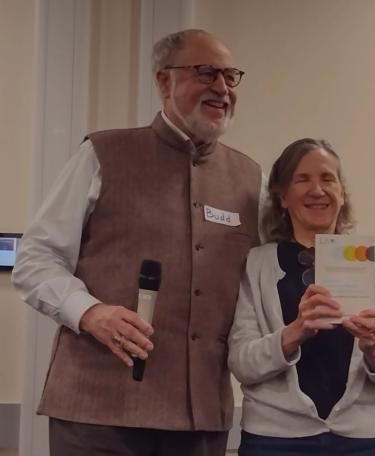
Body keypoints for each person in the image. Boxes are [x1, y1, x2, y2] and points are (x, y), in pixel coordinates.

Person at [11, 29, 261, 455]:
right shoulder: (102, 155)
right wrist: (90, 312)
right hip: (98, 413)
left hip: (199, 418)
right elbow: (35, 259)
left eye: (230, 76)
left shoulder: (251, 179)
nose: (222, 87)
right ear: (164, 82)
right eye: (206, 72)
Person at [228, 138, 375, 455]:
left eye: (327, 178)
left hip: (359, 440)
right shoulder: (258, 263)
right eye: (302, 179)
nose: (317, 190)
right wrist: (295, 332)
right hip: (274, 439)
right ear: (282, 196)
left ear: (342, 192)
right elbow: (241, 363)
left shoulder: (372, 264)